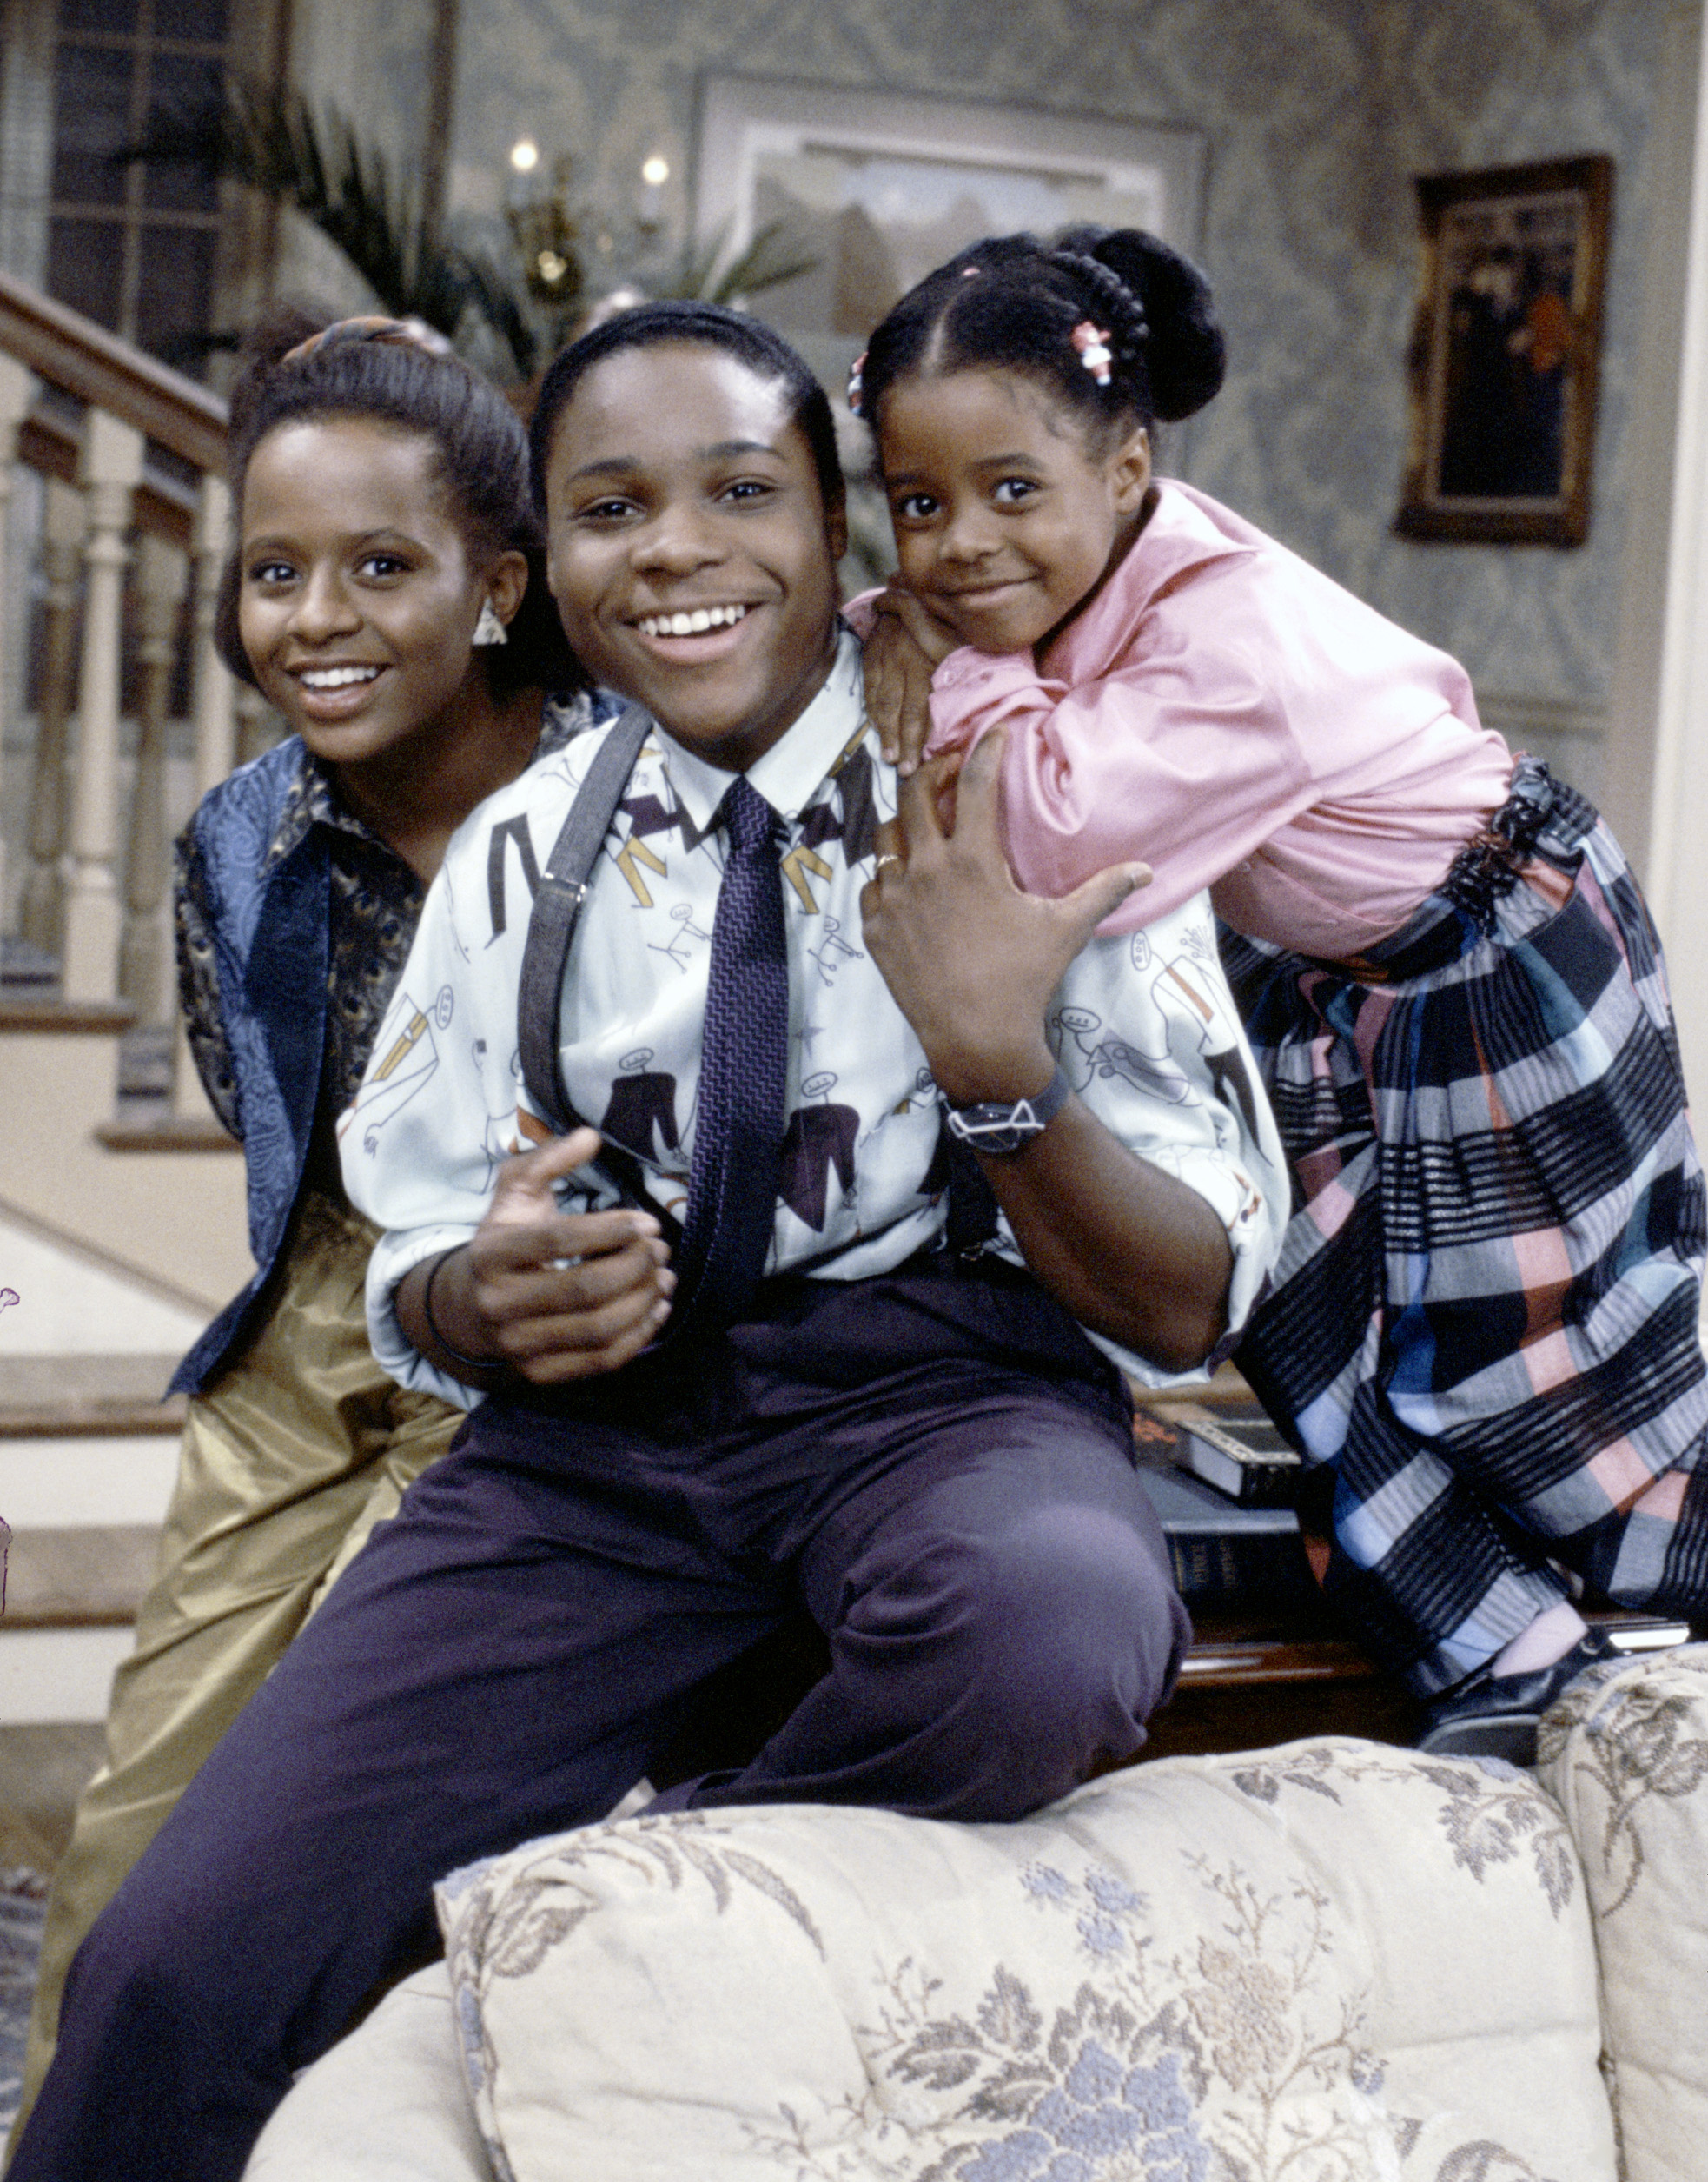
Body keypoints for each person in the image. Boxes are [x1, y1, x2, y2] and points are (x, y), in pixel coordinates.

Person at [11, 301, 1287, 2182]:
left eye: (738, 493)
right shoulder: (524, 856)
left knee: (1047, 1632)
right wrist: (481, 1289)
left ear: (836, 536)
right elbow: (412, 1255)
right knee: (171, 1975)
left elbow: (1186, 1293)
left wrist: (996, 1067)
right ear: (554, 576)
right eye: (612, 507)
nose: (675, 547)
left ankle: (604, 1934)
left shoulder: (1031, 797)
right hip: (589, 1456)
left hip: (932, 1407)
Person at [849, 226, 1706, 1753]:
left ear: (1127, 469)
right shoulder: (1087, 585)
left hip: (1504, 948)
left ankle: (1664, 1646)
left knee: (1532, 1366)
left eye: (1011, 491)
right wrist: (902, 629)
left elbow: (1031, 831)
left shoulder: (1230, 637)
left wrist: (930, 651)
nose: (961, 544)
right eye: (917, 506)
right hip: (1346, 977)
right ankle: (1509, 1657)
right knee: (1310, 1307)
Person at [7, 314, 600, 2160]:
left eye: (379, 567)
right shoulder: (236, 843)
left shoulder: (627, 792)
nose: (314, 618)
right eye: (274, 572)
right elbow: (275, 1126)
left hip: (555, 1331)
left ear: (494, 588)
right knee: (143, 1808)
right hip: (325, 1302)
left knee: (365, 1804)